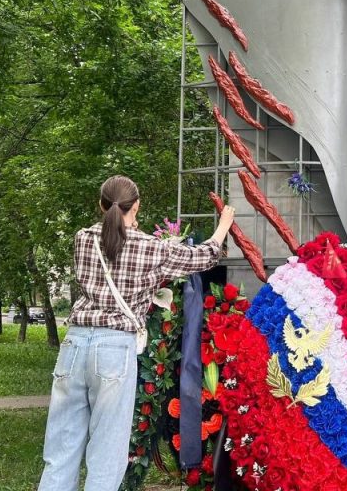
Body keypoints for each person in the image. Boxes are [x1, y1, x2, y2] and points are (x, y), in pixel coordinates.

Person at [38, 175, 235, 491]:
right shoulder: (150, 249)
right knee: (106, 456)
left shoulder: (82, 239)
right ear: (137, 205)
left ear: (101, 205)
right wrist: (223, 224)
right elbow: (204, 257)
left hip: (74, 345)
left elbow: (115, 245)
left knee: (60, 453)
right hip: (114, 349)